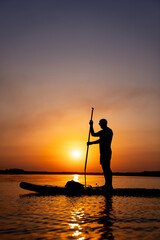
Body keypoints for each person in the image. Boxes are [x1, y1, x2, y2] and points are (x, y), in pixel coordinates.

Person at [87, 119, 113, 189]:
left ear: (104, 124)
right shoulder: (102, 132)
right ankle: (107, 184)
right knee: (104, 168)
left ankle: (109, 185)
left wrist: (91, 143)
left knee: (107, 168)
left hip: (106, 152)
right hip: (102, 152)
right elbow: (93, 134)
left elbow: (101, 140)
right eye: (99, 124)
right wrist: (91, 125)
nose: (99, 125)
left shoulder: (108, 131)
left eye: (100, 124)